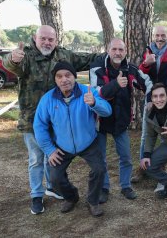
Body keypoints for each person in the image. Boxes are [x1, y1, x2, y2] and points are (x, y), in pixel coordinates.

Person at [3, 25, 97, 215]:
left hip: (59, 120)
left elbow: (89, 59)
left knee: (53, 158)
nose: (47, 42)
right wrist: (13, 59)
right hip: (32, 119)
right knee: (36, 159)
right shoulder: (26, 56)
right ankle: (37, 195)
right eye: (43, 38)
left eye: (51, 39)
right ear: (35, 38)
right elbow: (11, 64)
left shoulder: (64, 55)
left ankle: (55, 188)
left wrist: (113, 52)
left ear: (56, 40)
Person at [33, 61, 112, 217]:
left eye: (68, 75)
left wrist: (95, 103)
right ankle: (71, 197)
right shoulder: (48, 99)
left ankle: (92, 200)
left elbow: (107, 111)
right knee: (54, 178)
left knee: (99, 169)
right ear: (55, 80)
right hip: (62, 145)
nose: (64, 79)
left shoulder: (87, 92)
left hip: (88, 142)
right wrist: (50, 150)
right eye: (59, 76)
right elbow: (39, 126)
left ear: (74, 77)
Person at [90, 38, 152, 203]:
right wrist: (116, 84)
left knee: (125, 156)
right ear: (108, 50)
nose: (118, 53)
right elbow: (98, 93)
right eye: (114, 49)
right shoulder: (97, 68)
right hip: (100, 122)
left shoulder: (130, 68)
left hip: (121, 121)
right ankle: (104, 188)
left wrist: (151, 98)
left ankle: (125, 186)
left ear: (125, 52)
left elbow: (147, 83)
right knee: (101, 158)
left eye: (121, 50)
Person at [132, 26, 167, 183]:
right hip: (151, 100)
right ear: (153, 36)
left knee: (165, 135)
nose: (160, 38)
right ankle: (143, 168)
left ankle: (161, 166)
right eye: (157, 35)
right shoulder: (147, 52)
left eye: (163, 35)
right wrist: (146, 65)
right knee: (145, 135)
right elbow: (138, 78)